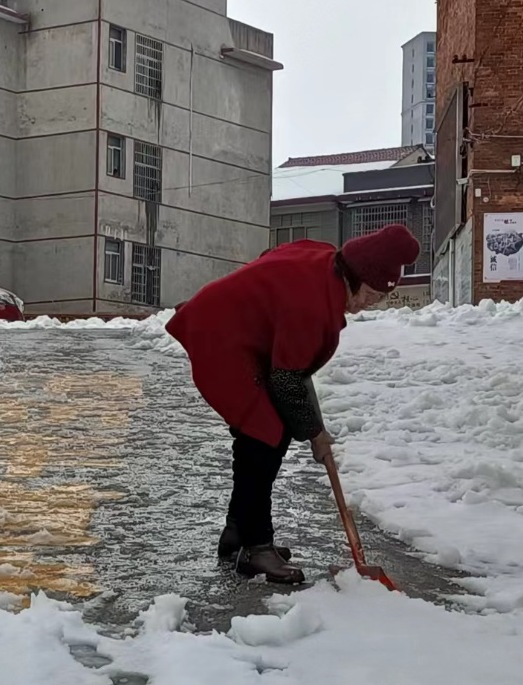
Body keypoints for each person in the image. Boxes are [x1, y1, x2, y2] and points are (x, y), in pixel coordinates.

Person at [166, 224, 421, 584]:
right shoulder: (314, 304)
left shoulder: (324, 259)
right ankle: (257, 549)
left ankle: (238, 531)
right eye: (373, 296)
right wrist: (316, 434)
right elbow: (286, 380)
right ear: (359, 277)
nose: (369, 307)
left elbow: (275, 259)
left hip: (236, 329)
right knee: (264, 437)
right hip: (223, 340)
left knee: (270, 432)